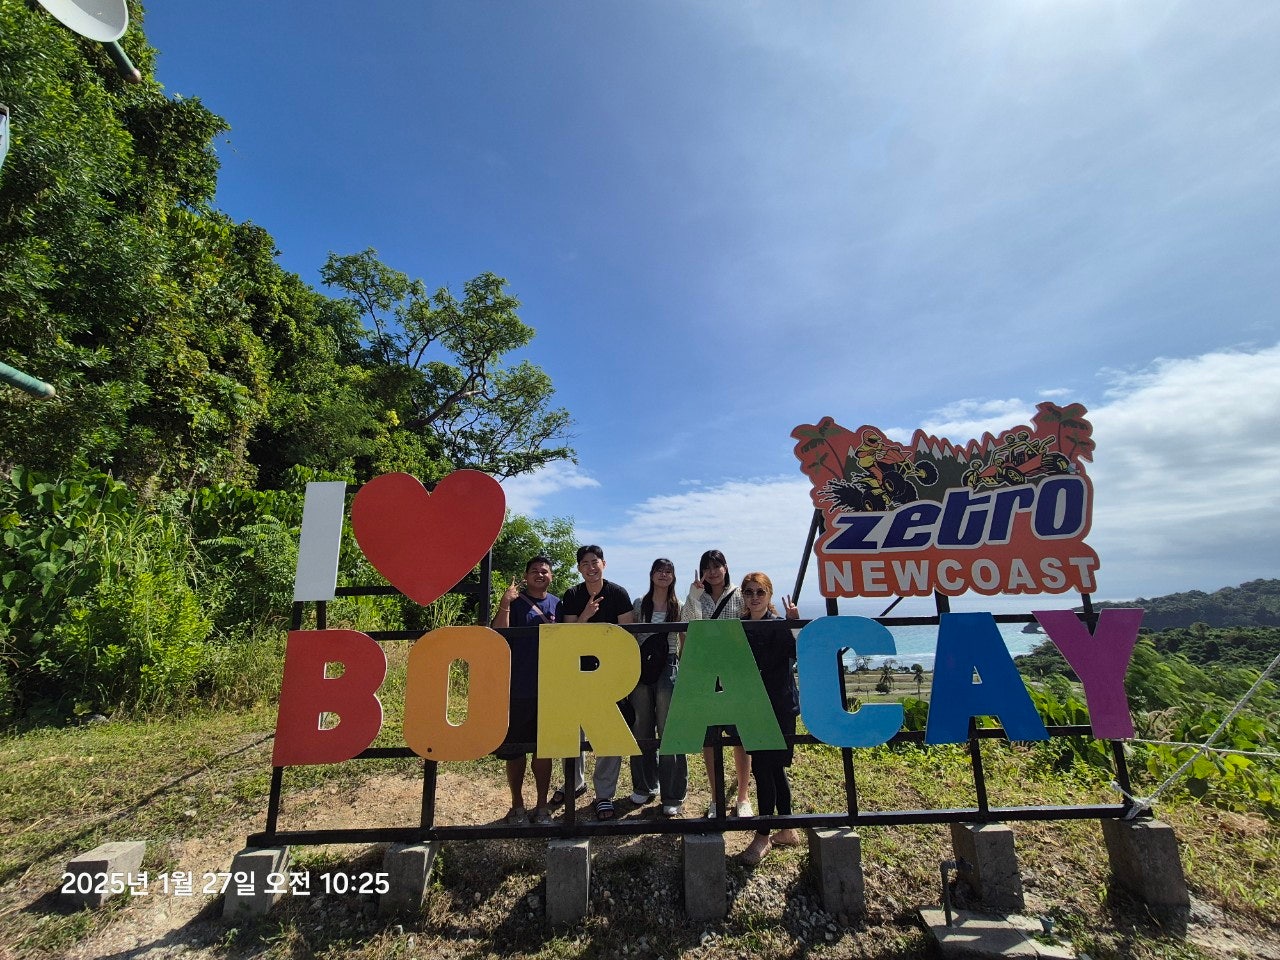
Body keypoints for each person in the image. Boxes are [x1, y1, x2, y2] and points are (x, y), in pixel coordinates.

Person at [559, 544, 635, 820]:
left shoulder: (619, 594)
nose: (591, 567)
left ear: (604, 564)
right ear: (579, 568)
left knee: (609, 733)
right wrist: (585, 616)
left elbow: (628, 636)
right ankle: (574, 782)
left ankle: (604, 794)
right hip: (577, 673)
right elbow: (567, 637)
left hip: (610, 675)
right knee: (573, 732)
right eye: (585, 563)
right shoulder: (572, 595)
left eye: (595, 562)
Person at [681, 548, 752, 818]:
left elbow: (757, 619)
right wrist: (693, 595)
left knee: (740, 737)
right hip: (706, 675)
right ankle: (715, 797)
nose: (712, 572)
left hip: (736, 674)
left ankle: (743, 797)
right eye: (707, 567)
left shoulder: (740, 594)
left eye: (716, 566)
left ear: (726, 567)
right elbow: (687, 625)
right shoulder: (697, 597)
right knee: (710, 738)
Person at [490, 555, 560, 825]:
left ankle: (542, 806)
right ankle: (517, 806)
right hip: (518, 687)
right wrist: (505, 603)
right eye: (534, 571)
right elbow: (499, 634)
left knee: (544, 750)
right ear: (526, 576)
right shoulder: (515, 602)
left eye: (544, 571)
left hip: (550, 688)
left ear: (551, 576)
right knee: (516, 751)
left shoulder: (558, 604)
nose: (540, 574)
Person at [738, 572, 802, 865]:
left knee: (767, 768)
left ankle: (762, 836)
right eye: (749, 592)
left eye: (760, 592)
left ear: (769, 595)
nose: (754, 597)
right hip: (753, 706)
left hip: (780, 707)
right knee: (771, 769)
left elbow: (799, 652)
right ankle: (787, 829)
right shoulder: (739, 627)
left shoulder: (779, 625)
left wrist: (794, 624)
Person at [628, 558, 687, 816]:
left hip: (668, 666)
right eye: (659, 570)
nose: (663, 574)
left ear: (673, 577)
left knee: (669, 730)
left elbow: (684, 637)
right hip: (641, 667)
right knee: (641, 727)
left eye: (668, 571)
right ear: (651, 574)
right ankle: (644, 785)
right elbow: (632, 636)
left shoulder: (679, 606)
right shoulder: (640, 604)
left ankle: (673, 794)